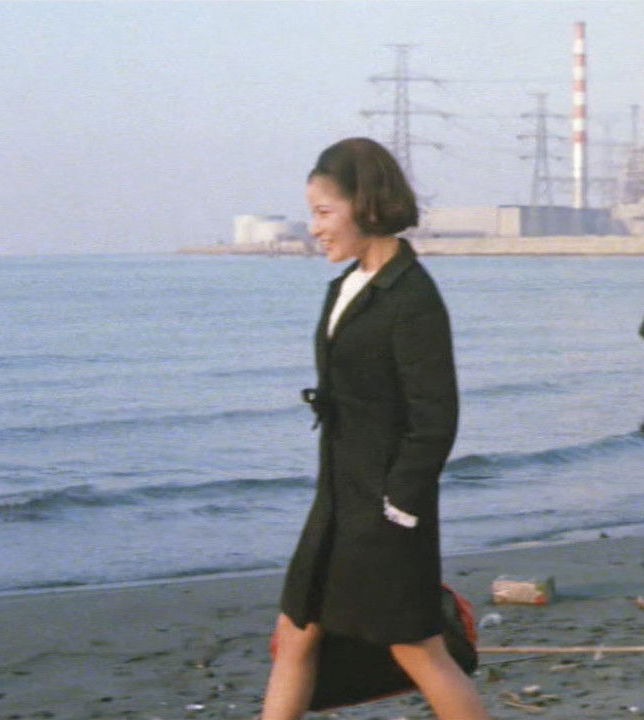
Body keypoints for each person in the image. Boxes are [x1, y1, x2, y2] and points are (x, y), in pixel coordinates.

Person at [261, 137, 489, 720]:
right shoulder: (346, 286)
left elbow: (435, 416)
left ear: (364, 204)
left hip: (386, 510)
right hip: (337, 500)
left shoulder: (413, 295)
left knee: (417, 647)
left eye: (323, 212)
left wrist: (400, 505)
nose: (314, 228)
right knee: (296, 632)